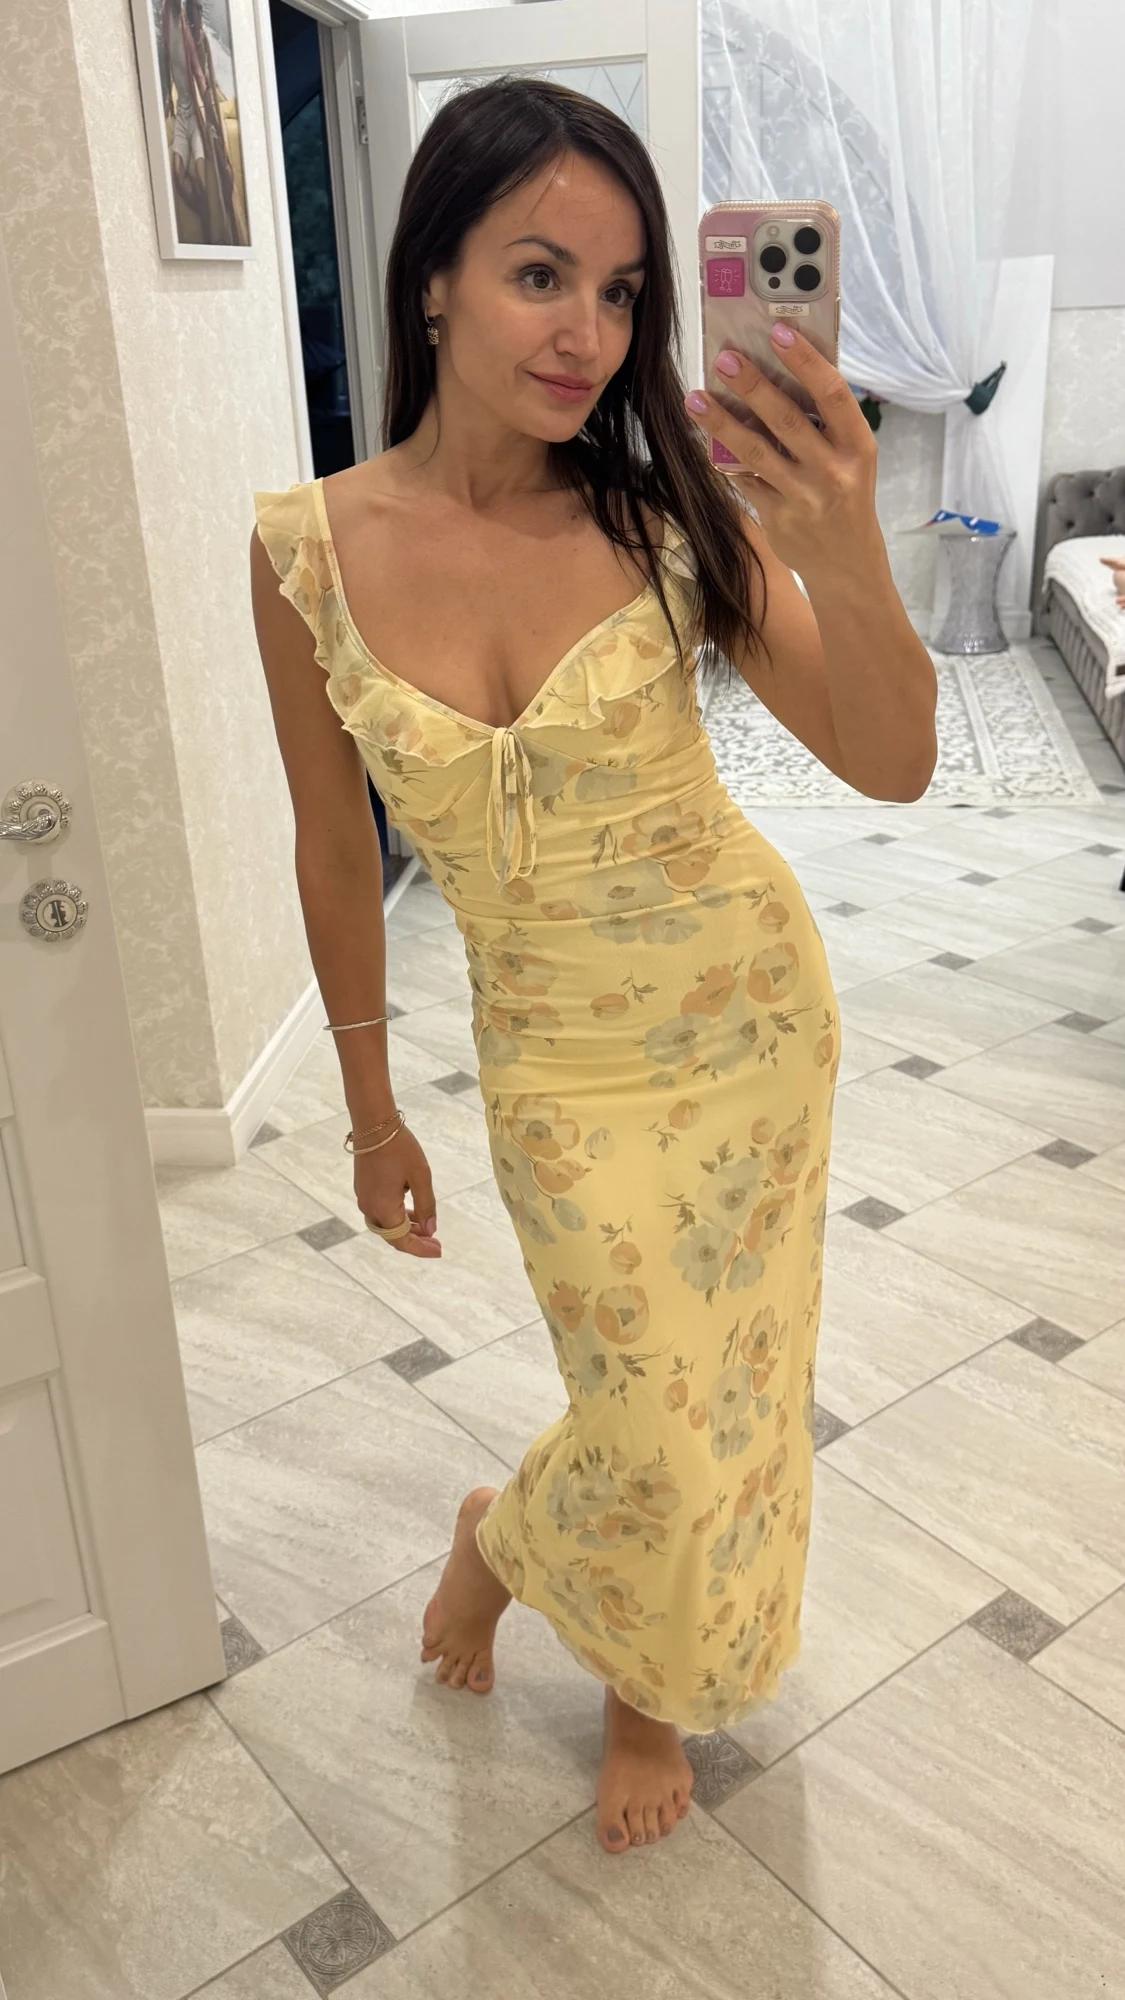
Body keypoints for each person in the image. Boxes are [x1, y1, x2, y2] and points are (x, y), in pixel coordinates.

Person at [250, 78, 937, 1857]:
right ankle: (504, 1543)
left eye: (623, 292)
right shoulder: (304, 552)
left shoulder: (663, 516)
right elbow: (333, 848)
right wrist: (368, 1109)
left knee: (723, 1395)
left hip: (748, 1020)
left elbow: (891, 760)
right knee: (645, 1404)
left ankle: (638, 1681)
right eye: (539, 274)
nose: (589, 333)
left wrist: (846, 552)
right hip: (556, 1063)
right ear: (432, 280)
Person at [159, 0, 249, 246]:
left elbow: (201, 78)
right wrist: (168, 103)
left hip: (199, 114)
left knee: (202, 176)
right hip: (183, 112)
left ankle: (214, 228)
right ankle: (206, 217)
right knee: (178, 174)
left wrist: (210, 122)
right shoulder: (168, 18)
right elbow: (170, 66)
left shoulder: (197, 38)